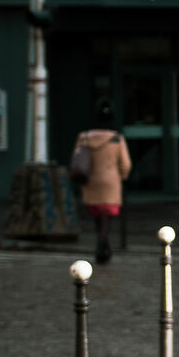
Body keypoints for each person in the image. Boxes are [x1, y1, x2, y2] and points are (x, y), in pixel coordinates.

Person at [71, 102, 131, 264]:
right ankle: (102, 242)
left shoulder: (84, 137)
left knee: (97, 215)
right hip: (110, 182)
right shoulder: (116, 138)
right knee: (107, 216)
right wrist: (122, 176)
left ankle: (103, 243)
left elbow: (76, 159)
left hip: (90, 181)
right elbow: (125, 164)